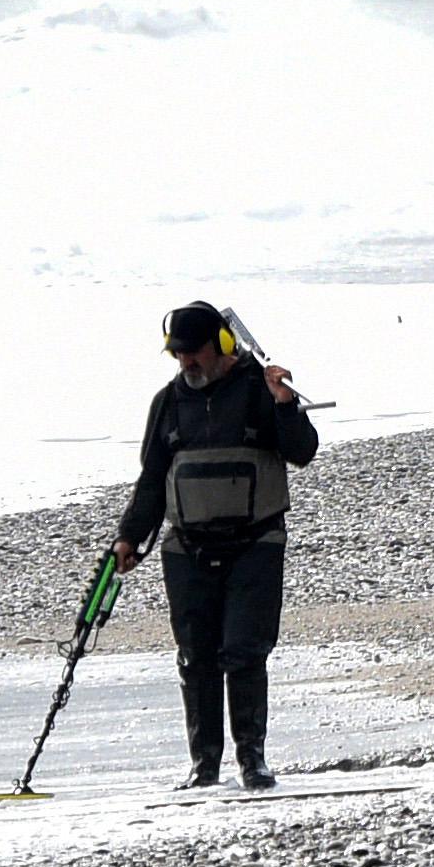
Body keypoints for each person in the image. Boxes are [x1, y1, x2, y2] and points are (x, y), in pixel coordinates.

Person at [111, 300, 319, 789]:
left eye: (193, 351)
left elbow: (303, 451)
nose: (186, 361)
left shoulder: (262, 390)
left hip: (256, 543)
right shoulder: (167, 402)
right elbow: (151, 480)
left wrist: (284, 405)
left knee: (245, 652)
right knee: (196, 656)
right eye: (177, 353)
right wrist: (129, 537)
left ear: (223, 344)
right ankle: (203, 767)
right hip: (187, 549)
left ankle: (252, 761)